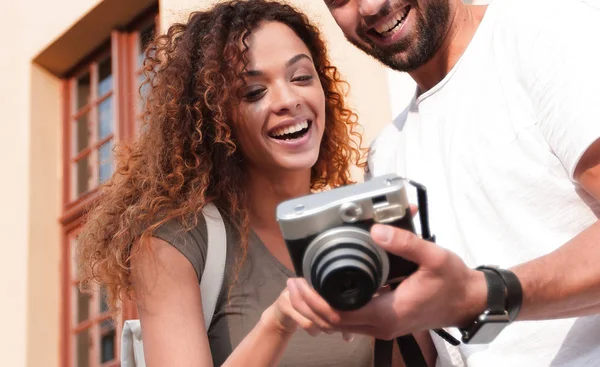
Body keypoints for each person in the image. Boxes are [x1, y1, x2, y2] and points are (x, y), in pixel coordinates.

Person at [286, 0, 600, 365]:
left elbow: (467, 297)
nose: (371, 7)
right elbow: (427, 335)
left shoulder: (545, 33)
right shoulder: (386, 155)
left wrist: (482, 294)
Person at [75, 1, 387, 366]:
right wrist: (278, 322)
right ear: (216, 119)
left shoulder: (353, 229)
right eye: (254, 92)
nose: (288, 100)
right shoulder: (177, 244)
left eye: (301, 77)